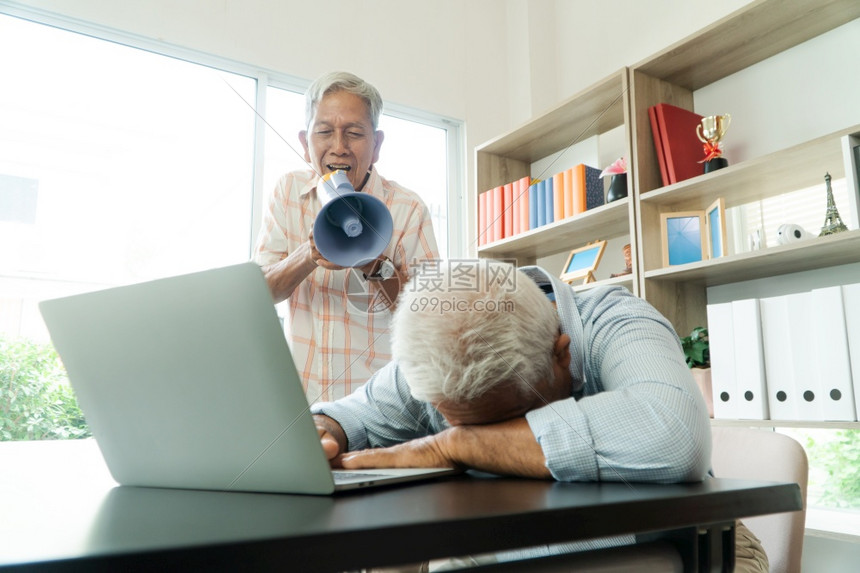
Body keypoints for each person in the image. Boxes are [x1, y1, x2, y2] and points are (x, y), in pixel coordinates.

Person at [311, 259, 768, 571]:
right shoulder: (438, 347)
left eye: (508, 420)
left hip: (683, 545)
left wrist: (456, 444)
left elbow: (674, 437)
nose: (488, 439)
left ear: (561, 355)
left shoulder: (618, 321)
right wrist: (325, 431)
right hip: (514, 546)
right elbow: (352, 417)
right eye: (458, 422)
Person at [254, 71, 439, 403]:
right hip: (302, 401)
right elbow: (261, 291)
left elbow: (428, 314)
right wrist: (309, 253)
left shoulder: (408, 209)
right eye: (324, 132)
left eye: (354, 133)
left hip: (378, 407)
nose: (338, 148)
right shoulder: (287, 192)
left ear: (377, 144)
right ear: (304, 143)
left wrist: (373, 261)